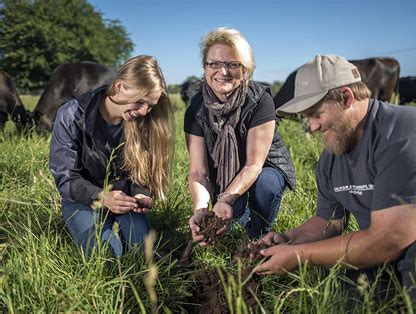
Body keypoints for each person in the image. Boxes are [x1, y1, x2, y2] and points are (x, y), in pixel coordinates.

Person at [255, 54, 416, 302]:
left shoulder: (406, 135)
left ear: (346, 98)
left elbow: (391, 239)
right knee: (345, 286)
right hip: (402, 248)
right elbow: (328, 222)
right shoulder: (331, 158)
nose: (312, 127)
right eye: (307, 118)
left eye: (316, 114)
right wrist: (290, 239)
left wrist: (300, 255)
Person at [49, 55, 174, 257]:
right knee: (107, 256)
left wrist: (142, 193)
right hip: (82, 199)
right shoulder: (71, 114)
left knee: (144, 252)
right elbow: (65, 178)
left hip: (126, 199)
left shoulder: (142, 120)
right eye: (140, 101)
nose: (144, 111)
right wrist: (102, 197)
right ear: (118, 87)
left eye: (150, 105)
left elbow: (141, 171)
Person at [185, 27, 296, 244]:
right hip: (223, 169)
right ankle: (238, 215)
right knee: (232, 214)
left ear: (245, 69)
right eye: (214, 63)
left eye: (232, 64)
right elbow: (198, 171)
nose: (222, 71)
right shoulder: (196, 108)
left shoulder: (260, 100)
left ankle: (257, 234)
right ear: (205, 67)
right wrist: (200, 209)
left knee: (267, 186)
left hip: (264, 165)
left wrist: (226, 197)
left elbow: (254, 165)